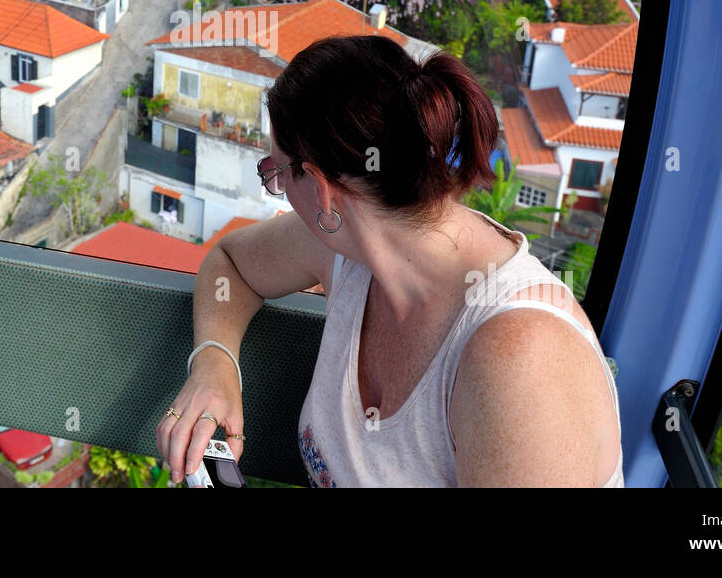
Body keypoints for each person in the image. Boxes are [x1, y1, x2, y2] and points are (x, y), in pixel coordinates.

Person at [155, 35, 623, 487]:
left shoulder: (520, 364)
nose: (277, 189)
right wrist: (214, 364)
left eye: (274, 173)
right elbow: (232, 263)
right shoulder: (355, 244)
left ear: (321, 189)